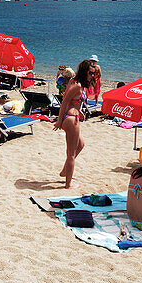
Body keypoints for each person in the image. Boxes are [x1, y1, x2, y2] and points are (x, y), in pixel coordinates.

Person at [53, 59, 96, 189]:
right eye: (90, 73)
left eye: (94, 73)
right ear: (84, 72)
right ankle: (68, 184)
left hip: (72, 116)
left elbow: (72, 101)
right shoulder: (77, 85)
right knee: (71, 153)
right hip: (71, 119)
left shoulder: (75, 82)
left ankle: (65, 171)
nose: (92, 76)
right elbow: (65, 102)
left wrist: (80, 111)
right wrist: (59, 120)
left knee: (80, 145)